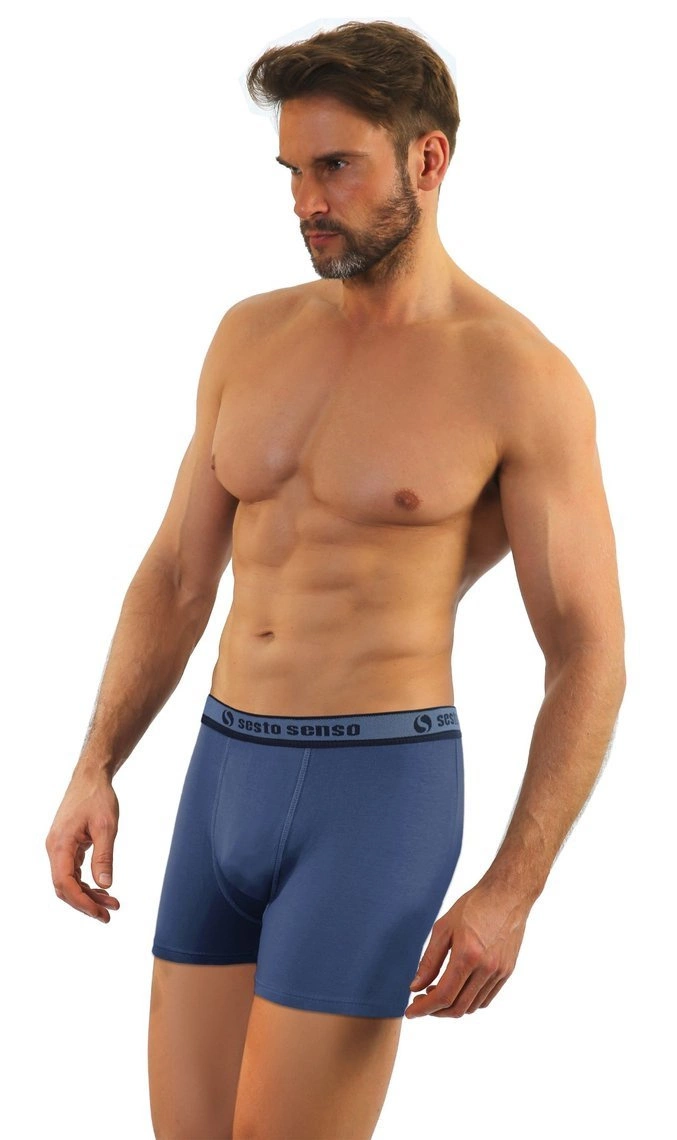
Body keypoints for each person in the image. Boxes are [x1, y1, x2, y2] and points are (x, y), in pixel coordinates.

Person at [45, 18, 626, 1140]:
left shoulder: (518, 377)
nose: (306, 201)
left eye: (336, 167)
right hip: (221, 772)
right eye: (292, 172)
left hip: (376, 795)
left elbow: (588, 650)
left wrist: (514, 886)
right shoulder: (249, 336)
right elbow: (176, 574)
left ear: (427, 158)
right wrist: (94, 764)